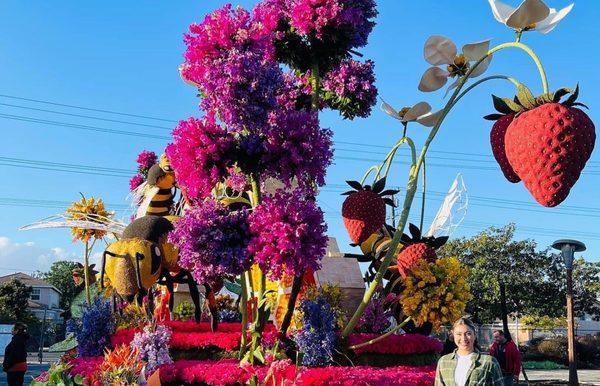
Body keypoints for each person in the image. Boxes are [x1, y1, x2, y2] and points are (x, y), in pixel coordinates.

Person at [435, 317, 504, 386]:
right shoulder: (443, 362)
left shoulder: (489, 362)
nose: (463, 338)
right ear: (453, 336)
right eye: (459, 334)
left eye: (468, 333)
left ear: (475, 335)